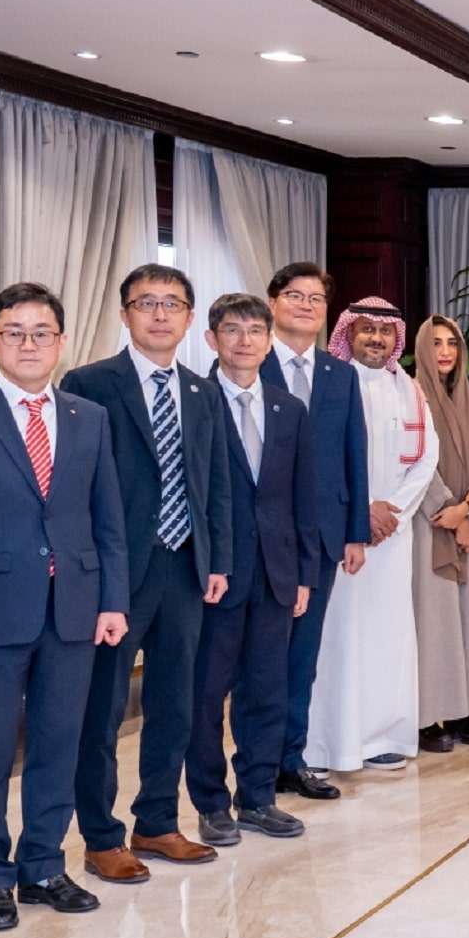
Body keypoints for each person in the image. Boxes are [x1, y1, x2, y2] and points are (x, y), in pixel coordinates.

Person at [0, 281, 129, 930]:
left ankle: (42, 864)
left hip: (74, 608)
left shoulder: (86, 417)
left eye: (42, 332)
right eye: (15, 331)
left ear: (61, 342)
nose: (29, 343)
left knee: (59, 744)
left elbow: (108, 517)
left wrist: (111, 599)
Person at [59, 264, 232, 884]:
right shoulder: (88, 384)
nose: (160, 314)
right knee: (103, 708)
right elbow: (73, 490)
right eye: (146, 303)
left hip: (185, 568)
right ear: (125, 314)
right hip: (116, 574)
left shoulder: (201, 391)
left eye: (173, 304)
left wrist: (218, 560)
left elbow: (216, 485)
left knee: (174, 703)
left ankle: (156, 821)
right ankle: (100, 837)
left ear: (189, 318)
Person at [185, 293, 320, 847]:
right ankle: (211, 803)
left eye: (255, 331)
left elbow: (302, 495)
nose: (244, 340)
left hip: (277, 573)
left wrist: (306, 573)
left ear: (269, 341)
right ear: (212, 338)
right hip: (214, 574)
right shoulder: (194, 401)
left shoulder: (289, 407)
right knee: (206, 693)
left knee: (268, 688)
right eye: (232, 330)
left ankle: (258, 797)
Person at [307, 298, 438, 774]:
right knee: (334, 639)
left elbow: (427, 458)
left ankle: (380, 736)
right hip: (340, 533)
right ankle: (324, 746)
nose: (376, 339)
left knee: (387, 637)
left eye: (385, 332)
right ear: (349, 333)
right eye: (366, 330)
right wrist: (360, 513)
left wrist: (392, 511)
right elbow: (320, 459)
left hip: (391, 537)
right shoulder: (329, 386)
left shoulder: (411, 391)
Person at [260, 262, 369, 803]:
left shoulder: (339, 374)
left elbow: (356, 453)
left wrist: (355, 533)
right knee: (259, 658)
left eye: (316, 298)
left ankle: (290, 760)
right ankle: (255, 766)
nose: (305, 305)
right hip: (262, 538)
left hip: (324, 537)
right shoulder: (248, 366)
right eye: (294, 295)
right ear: (273, 302)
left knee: (303, 656)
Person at [409, 316, 469, 751]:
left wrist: (467, 507)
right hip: (428, 523)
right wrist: (449, 511)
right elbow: (415, 463)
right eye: (435, 343)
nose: (445, 351)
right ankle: (430, 715)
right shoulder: (409, 400)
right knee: (435, 621)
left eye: (452, 343)